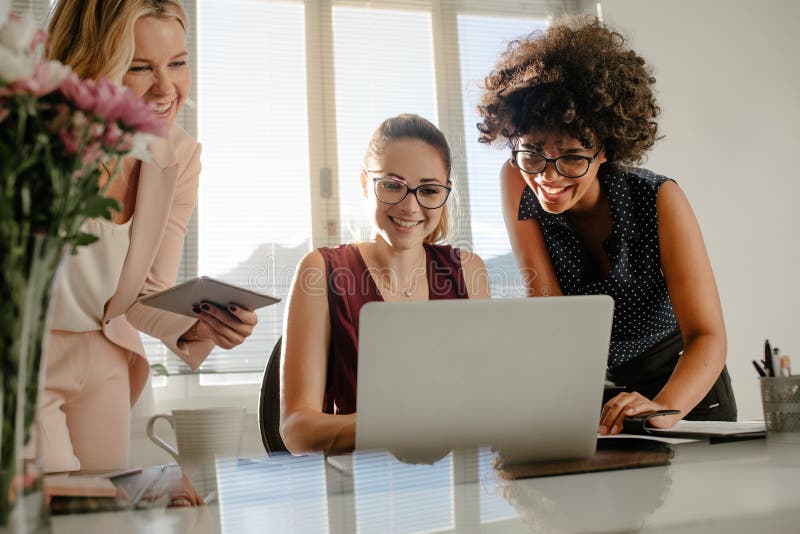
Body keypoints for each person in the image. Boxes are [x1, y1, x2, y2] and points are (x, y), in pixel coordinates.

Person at [477, 17, 735, 435]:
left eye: (573, 157)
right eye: (533, 153)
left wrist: (658, 411)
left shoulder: (659, 199)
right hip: (597, 392)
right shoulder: (515, 179)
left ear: (606, 150)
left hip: (682, 390)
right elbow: (549, 309)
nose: (548, 176)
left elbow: (708, 337)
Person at [39, 0, 257, 472]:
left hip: (107, 363)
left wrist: (202, 326)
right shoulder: (32, 134)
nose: (166, 88)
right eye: (140, 68)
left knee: (105, 518)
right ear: (91, 63)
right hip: (25, 360)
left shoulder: (179, 157)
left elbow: (144, 292)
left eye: (177, 63)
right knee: (47, 514)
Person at [280, 114, 491, 455]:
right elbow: (296, 431)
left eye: (429, 190)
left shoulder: (469, 272)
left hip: (457, 485)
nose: (410, 206)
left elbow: (487, 404)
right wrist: (395, 426)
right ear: (366, 184)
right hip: (362, 490)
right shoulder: (320, 271)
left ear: (444, 193)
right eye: (392, 185)